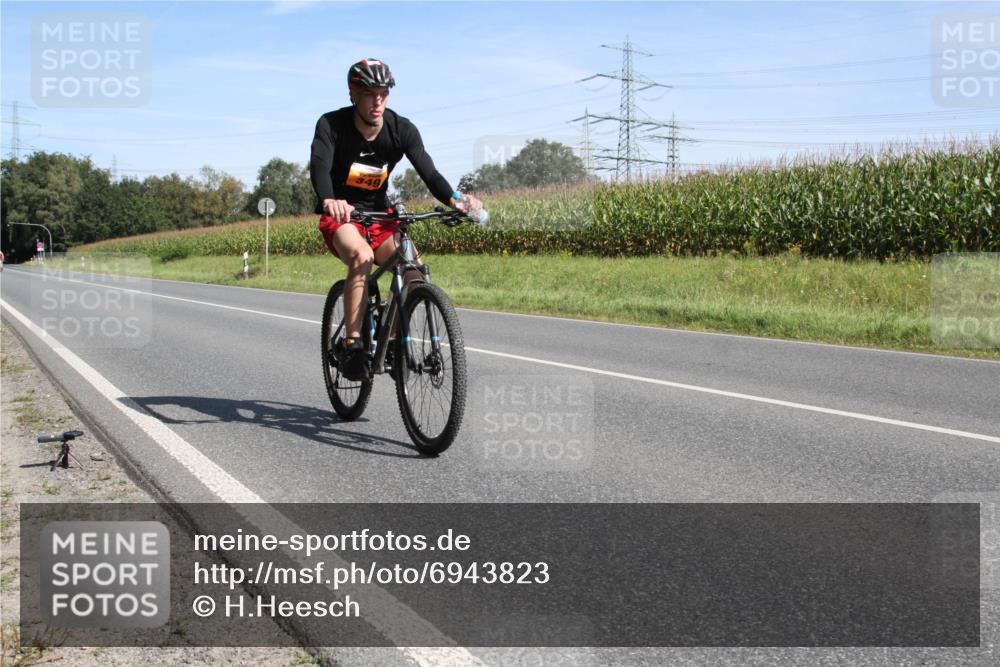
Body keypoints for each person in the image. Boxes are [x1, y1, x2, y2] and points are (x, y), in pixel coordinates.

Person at [310, 58, 483, 380]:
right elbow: (319, 165)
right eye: (369, 93)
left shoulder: (401, 129)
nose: (377, 101)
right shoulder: (331, 125)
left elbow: (429, 171)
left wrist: (456, 200)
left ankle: (390, 341)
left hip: (380, 215)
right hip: (342, 216)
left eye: (383, 93)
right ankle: (352, 342)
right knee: (361, 256)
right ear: (353, 93)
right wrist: (329, 199)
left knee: (413, 269)